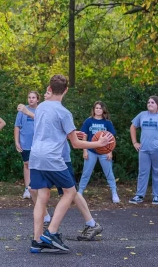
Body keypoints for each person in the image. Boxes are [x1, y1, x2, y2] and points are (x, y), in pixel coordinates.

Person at [28, 75, 113, 253]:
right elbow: (75, 144)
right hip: (52, 157)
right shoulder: (64, 112)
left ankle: (36, 242)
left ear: (49, 89)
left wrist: (72, 133)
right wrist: (98, 144)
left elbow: (50, 130)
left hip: (36, 155)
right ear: (66, 90)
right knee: (70, 191)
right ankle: (51, 232)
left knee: (42, 197)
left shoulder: (41, 107)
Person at [20, 92, 104, 243]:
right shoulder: (43, 109)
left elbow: (61, 133)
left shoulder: (57, 110)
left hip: (60, 157)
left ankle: (91, 224)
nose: (46, 94)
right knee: (35, 190)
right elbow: (50, 128)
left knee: (71, 192)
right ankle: (46, 223)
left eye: (47, 92)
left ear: (54, 92)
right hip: (44, 157)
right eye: (45, 92)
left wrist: (27, 112)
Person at [78, 101, 120, 203]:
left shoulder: (107, 122)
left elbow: (112, 138)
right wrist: (85, 150)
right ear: (93, 109)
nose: (98, 110)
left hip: (104, 151)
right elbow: (84, 136)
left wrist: (110, 151)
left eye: (100, 108)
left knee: (109, 173)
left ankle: (114, 193)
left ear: (103, 110)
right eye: (96, 108)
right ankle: (79, 193)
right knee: (86, 173)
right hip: (91, 150)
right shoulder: (88, 121)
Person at [129, 96, 158, 205]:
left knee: (157, 172)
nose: (150, 104)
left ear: (157, 105)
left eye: (153, 102)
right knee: (143, 172)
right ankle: (139, 195)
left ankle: (156, 196)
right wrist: (135, 142)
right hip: (144, 150)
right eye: (148, 102)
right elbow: (133, 127)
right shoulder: (142, 115)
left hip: (156, 150)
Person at [14, 91, 40, 199]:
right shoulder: (22, 110)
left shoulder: (41, 110)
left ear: (38, 99)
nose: (31, 99)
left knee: (38, 166)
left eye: (33, 97)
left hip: (38, 143)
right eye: (29, 97)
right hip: (25, 142)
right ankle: (27, 189)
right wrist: (17, 141)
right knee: (27, 164)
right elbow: (17, 126)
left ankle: (37, 188)